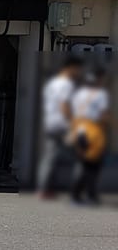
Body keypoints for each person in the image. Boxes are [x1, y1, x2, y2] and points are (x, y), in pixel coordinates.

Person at [37, 55, 83, 199]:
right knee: (82, 156)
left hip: (51, 124)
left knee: (50, 157)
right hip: (63, 125)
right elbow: (64, 106)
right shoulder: (66, 84)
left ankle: (45, 189)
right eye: (77, 69)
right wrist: (74, 123)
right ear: (71, 68)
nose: (78, 72)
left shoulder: (52, 83)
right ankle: (77, 192)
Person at [68, 66, 109, 206]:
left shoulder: (79, 94)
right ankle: (87, 195)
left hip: (79, 132)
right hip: (93, 133)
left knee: (84, 164)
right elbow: (103, 115)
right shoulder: (100, 94)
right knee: (92, 166)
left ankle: (78, 195)